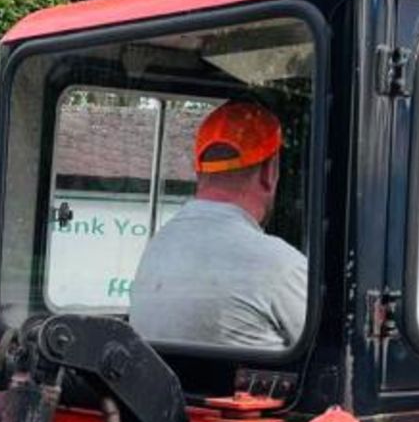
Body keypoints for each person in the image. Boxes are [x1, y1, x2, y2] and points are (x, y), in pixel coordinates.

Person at [128, 98, 307, 349]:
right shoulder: (280, 266)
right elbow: (333, 354)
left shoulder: (157, 250)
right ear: (270, 172)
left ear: (199, 171)